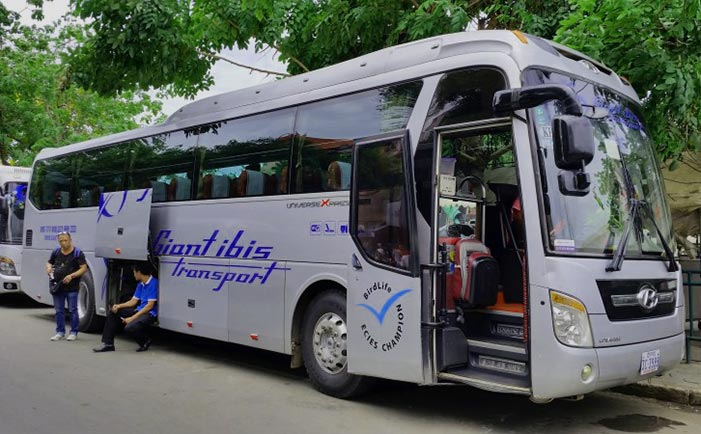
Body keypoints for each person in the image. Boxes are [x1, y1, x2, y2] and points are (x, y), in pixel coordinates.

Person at [93, 263, 158, 353]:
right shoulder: (141, 284)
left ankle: (145, 341)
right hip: (139, 310)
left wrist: (132, 318)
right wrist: (118, 306)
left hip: (149, 313)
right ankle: (108, 344)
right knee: (113, 312)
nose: (134, 274)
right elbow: (133, 301)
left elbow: (149, 306)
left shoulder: (153, 283)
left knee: (129, 328)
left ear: (139, 272)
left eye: (134, 272)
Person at [46, 231, 87, 341]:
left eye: (65, 240)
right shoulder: (56, 252)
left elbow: (83, 268)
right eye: (61, 241)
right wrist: (48, 268)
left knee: (72, 309)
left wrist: (71, 276)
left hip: (72, 287)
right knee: (59, 310)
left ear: (70, 240)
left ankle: (73, 332)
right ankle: (60, 332)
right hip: (58, 286)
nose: (63, 243)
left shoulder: (77, 253)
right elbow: (49, 262)